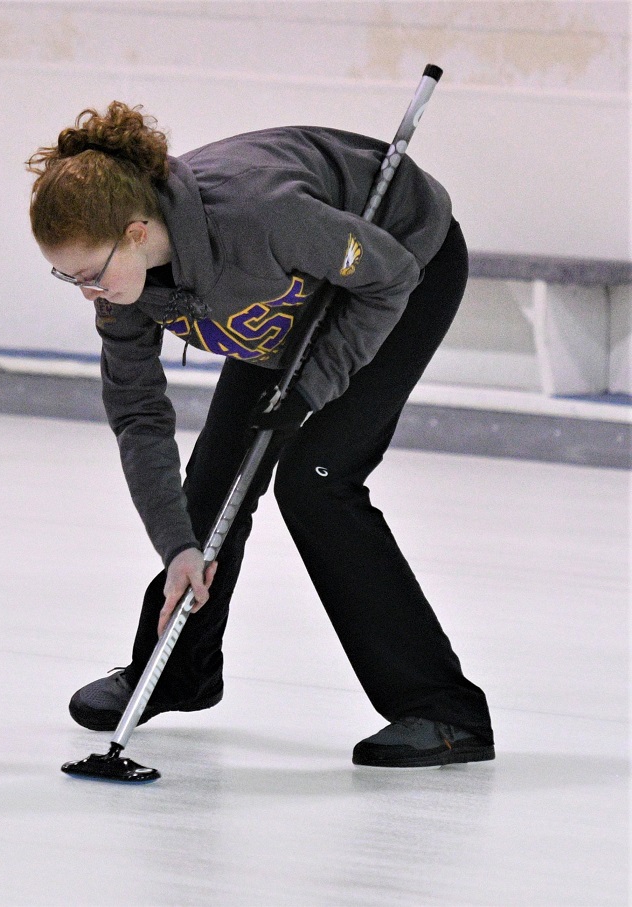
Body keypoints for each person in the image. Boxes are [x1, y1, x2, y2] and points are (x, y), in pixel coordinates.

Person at [28, 102, 494, 767]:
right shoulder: (124, 290)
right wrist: (179, 547)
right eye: (67, 277)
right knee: (216, 483)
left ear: (135, 233)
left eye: (90, 274)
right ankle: (178, 670)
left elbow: (387, 275)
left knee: (316, 478)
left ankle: (445, 710)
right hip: (294, 293)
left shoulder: (258, 219)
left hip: (402, 267)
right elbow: (138, 415)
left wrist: (316, 384)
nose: (86, 293)